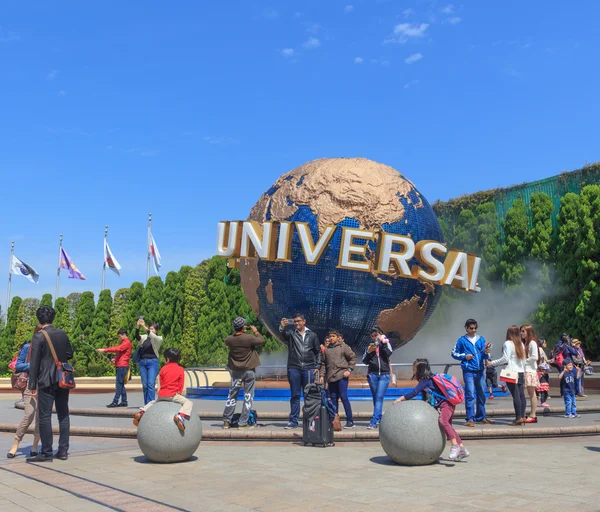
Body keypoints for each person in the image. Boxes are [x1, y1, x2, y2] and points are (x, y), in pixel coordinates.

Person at [394, 359, 469, 461]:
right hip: (449, 403)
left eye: (415, 369)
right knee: (448, 426)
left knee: (443, 421)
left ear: (420, 370)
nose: (413, 371)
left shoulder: (425, 380)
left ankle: (454, 446)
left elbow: (414, 392)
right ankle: (462, 449)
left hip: (446, 404)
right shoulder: (430, 379)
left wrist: (400, 399)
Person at [27, 306, 73, 462]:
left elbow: (34, 363)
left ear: (38, 319)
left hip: (46, 380)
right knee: (63, 415)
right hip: (62, 379)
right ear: (53, 318)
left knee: (45, 416)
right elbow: (69, 354)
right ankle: (63, 451)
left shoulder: (38, 336)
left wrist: (32, 385)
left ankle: (46, 452)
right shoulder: (62, 334)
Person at [133, 348, 194, 431]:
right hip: (172, 395)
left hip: (161, 395)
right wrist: (179, 393)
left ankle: (142, 413)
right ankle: (180, 416)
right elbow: (180, 384)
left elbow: (160, 382)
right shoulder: (180, 369)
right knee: (188, 402)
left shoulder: (163, 369)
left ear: (167, 359)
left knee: (152, 402)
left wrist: (160, 392)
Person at [279, 314, 322, 429]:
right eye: (295, 321)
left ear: (304, 321)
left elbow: (318, 352)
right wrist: (282, 327)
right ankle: (293, 420)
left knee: (309, 395)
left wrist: (317, 365)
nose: (296, 323)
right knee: (295, 395)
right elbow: (283, 335)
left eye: (298, 321)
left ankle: (310, 420)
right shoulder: (292, 334)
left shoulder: (312, 335)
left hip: (308, 368)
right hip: (294, 368)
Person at [222, 317, 265, 429]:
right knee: (248, 396)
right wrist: (255, 331)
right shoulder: (249, 338)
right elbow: (261, 340)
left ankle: (227, 421)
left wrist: (240, 330)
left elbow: (234, 338)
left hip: (236, 371)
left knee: (232, 395)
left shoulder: (229, 339)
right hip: (249, 371)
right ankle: (243, 423)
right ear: (243, 327)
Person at [7, 327, 42, 458]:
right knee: (29, 414)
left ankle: (35, 446)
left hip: (44, 385)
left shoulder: (49, 350)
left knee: (40, 418)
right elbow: (18, 365)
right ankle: (16, 443)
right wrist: (34, 365)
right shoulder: (28, 347)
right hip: (30, 384)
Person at [451, 318, 492, 427]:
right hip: (468, 371)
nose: (473, 330)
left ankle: (481, 416)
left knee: (482, 393)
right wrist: (465, 356)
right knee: (470, 394)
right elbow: (454, 353)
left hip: (480, 371)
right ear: (466, 328)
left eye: (475, 328)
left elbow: (485, 355)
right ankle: (470, 418)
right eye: (471, 328)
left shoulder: (481, 339)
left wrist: (487, 353)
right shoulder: (461, 340)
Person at [488, 325, 526, 426]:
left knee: (516, 395)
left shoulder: (508, 343)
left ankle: (518, 418)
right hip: (520, 371)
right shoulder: (521, 344)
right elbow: (523, 360)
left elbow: (505, 358)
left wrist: (493, 363)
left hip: (511, 372)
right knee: (521, 394)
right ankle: (522, 416)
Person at [320, 330, 356, 429]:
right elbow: (323, 364)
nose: (331, 338)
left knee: (344, 397)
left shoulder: (343, 347)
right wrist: (322, 375)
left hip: (341, 376)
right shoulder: (326, 350)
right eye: (330, 336)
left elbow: (352, 358)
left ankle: (350, 420)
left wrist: (349, 369)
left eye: (333, 336)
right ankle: (334, 419)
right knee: (333, 399)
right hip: (331, 377)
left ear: (337, 337)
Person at [363, 327, 393, 429]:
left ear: (380, 334)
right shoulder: (370, 346)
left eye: (376, 335)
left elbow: (389, 353)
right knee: (376, 398)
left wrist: (383, 344)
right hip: (373, 375)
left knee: (379, 398)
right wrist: (369, 352)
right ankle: (379, 418)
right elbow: (365, 361)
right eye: (372, 336)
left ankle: (373, 422)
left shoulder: (386, 343)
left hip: (384, 375)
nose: (374, 337)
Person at [97, 328, 132, 408]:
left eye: (120, 336)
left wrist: (104, 350)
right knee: (121, 384)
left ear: (124, 335)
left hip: (122, 366)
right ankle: (124, 401)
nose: (119, 338)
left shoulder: (126, 342)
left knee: (119, 384)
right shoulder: (124, 342)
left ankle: (115, 401)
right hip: (121, 365)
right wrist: (115, 360)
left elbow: (117, 349)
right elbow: (121, 354)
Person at [135, 318, 163, 405]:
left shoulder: (158, 338)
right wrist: (138, 326)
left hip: (152, 362)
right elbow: (137, 337)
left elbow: (151, 335)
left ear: (156, 331)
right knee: (145, 385)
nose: (150, 330)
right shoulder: (144, 337)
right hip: (143, 362)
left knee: (151, 384)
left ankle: (150, 404)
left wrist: (144, 326)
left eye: (152, 329)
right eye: (150, 328)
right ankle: (146, 404)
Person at [521, 324, 540, 423]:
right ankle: (530, 414)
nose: (521, 333)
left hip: (530, 370)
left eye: (523, 331)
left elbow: (535, 357)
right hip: (526, 370)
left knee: (532, 394)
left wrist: (523, 362)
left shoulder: (532, 343)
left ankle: (533, 415)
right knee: (529, 393)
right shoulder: (525, 343)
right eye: (521, 331)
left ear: (528, 332)